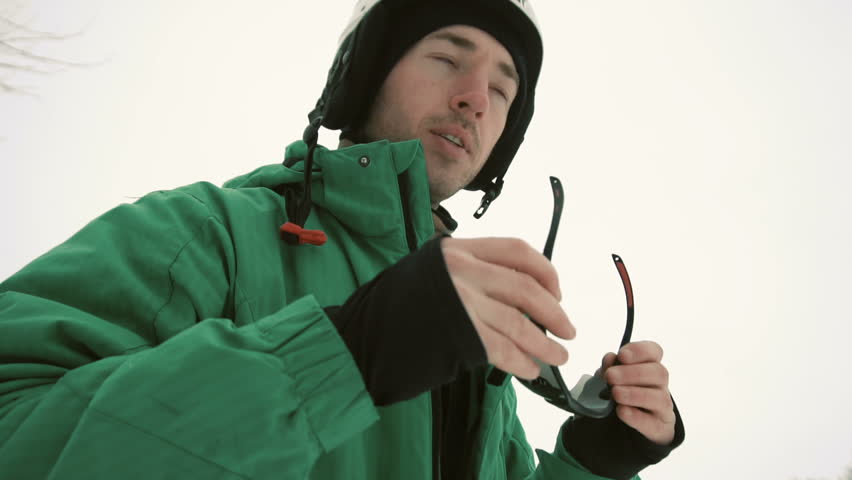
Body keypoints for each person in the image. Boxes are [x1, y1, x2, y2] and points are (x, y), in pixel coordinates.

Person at [0, 0, 684, 478]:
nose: (477, 97)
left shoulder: (474, 354)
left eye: (504, 92)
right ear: (363, 77)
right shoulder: (206, 233)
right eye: (449, 57)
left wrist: (595, 464)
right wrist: (346, 355)